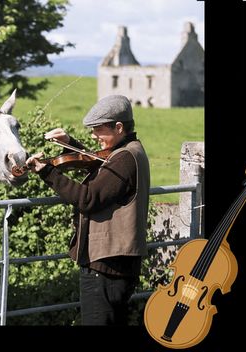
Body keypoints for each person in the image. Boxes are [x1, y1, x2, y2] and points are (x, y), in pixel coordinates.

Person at [26, 95, 150, 325]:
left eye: (98, 130)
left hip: (106, 265)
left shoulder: (124, 158)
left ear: (119, 127)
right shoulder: (131, 149)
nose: (94, 136)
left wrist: (47, 172)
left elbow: (88, 198)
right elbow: (99, 165)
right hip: (117, 265)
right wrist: (70, 143)